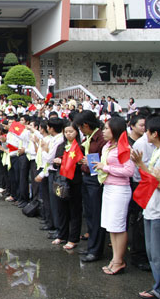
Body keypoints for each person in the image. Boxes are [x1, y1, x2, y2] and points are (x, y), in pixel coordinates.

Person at [93, 117, 134, 275]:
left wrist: (107, 168)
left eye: (106, 128)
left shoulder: (124, 147)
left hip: (120, 189)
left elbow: (129, 171)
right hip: (108, 187)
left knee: (118, 225)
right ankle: (115, 259)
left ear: (115, 130)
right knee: (111, 225)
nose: (103, 131)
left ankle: (119, 260)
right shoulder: (108, 146)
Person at [131, 116, 160, 299]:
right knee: (152, 252)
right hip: (151, 207)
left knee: (156, 253)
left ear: (154, 133)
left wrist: (142, 166)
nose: (145, 133)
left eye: (147, 130)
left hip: (157, 209)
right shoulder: (156, 151)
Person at [74, 110, 107, 263]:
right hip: (86, 177)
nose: (81, 131)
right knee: (89, 214)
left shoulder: (100, 139)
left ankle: (95, 250)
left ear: (86, 125)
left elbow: (105, 161)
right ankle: (91, 246)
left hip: (96, 180)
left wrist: (91, 162)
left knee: (96, 215)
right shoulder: (88, 138)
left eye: (81, 128)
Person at [51, 122, 83, 250]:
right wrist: (57, 162)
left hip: (74, 181)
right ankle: (62, 234)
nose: (68, 134)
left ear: (77, 132)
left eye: (71, 131)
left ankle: (73, 238)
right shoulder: (61, 146)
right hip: (61, 180)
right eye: (66, 132)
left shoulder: (80, 147)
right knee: (61, 209)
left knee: (74, 210)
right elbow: (54, 163)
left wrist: (64, 161)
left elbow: (80, 164)